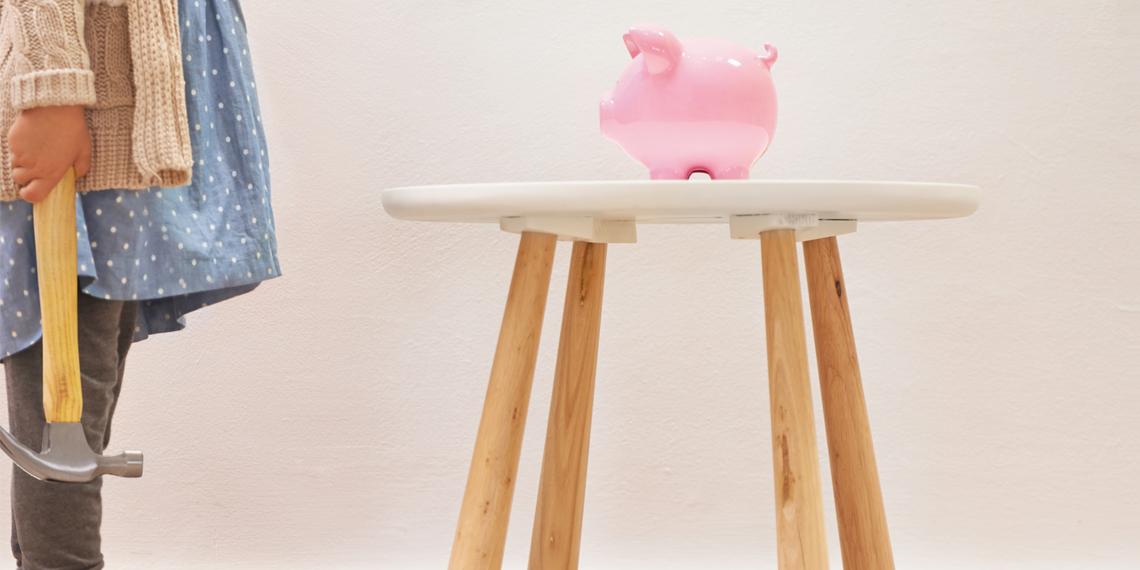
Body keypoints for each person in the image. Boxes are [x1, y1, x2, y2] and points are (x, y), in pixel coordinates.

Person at [0, 0, 279, 567]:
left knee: (81, 409)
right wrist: (51, 86)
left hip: (117, 103)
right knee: (67, 416)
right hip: (83, 103)